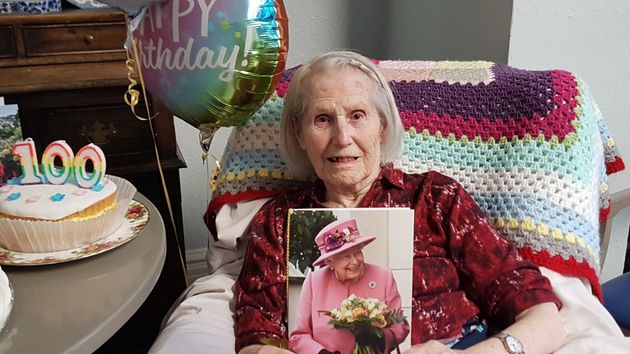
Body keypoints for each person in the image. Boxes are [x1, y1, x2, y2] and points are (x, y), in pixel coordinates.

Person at [234, 50, 568, 354]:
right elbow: (255, 339)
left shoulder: (435, 198)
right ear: (299, 133)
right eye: (323, 119)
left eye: (357, 115)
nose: (342, 138)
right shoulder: (279, 221)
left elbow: (541, 313)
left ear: (381, 125)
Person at [289, 218, 409, 354]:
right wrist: (320, 353)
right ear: (329, 261)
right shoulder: (314, 282)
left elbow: (400, 326)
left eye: (358, 252)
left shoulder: (383, 277)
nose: (355, 261)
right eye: (346, 256)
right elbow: (298, 336)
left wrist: (381, 339)